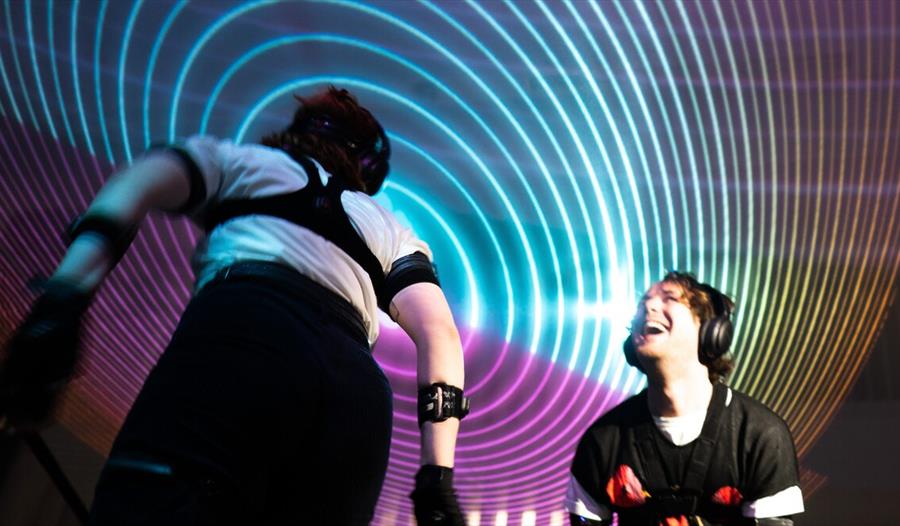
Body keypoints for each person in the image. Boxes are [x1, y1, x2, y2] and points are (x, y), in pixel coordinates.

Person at [0, 86, 468, 525]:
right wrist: (436, 477)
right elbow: (440, 334)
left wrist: (64, 299)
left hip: (246, 332)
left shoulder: (242, 161)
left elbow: (136, 184)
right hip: (355, 390)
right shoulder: (389, 224)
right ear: (364, 166)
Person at [566, 272, 804, 525]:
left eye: (669, 298)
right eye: (643, 303)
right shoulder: (603, 440)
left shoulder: (760, 435)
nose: (649, 305)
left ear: (710, 330)